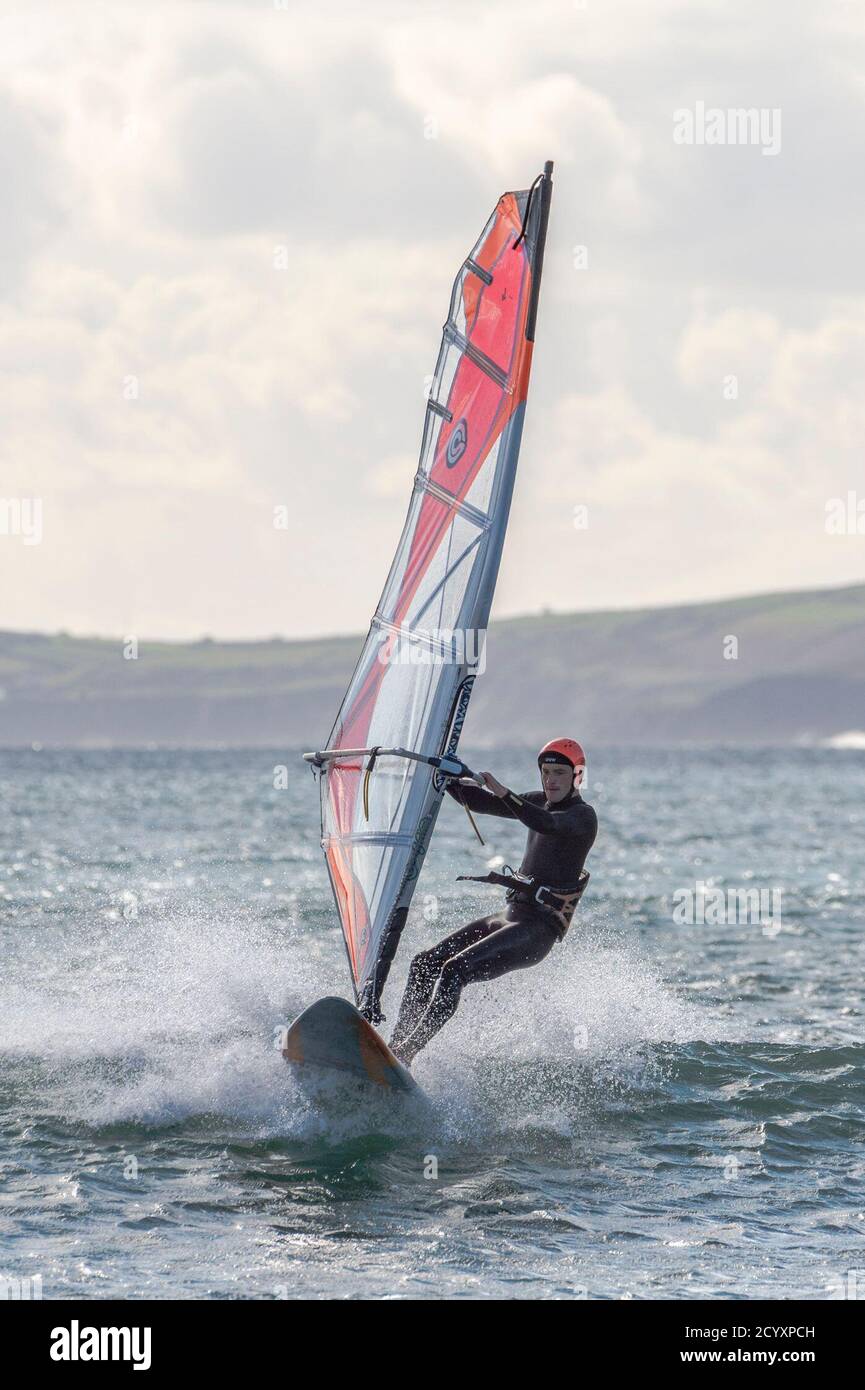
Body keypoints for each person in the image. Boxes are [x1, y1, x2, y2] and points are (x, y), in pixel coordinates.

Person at [389, 738, 597, 1065]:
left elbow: (544, 823)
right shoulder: (538, 801)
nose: (551, 780)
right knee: (424, 964)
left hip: (536, 931)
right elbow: (479, 802)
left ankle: (407, 1052)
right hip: (508, 916)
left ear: (577, 776)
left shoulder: (582, 817)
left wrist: (502, 790)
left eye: (559, 773)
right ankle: (393, 1045)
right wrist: (446, 777)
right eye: (546, 772)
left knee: (455, 970)